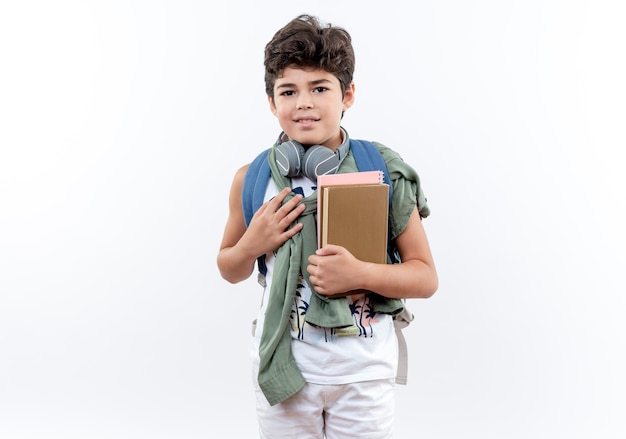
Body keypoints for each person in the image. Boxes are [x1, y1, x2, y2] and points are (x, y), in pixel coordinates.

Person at [217, 14, 438, 439]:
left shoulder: (383, 170)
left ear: (347, 95)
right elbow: (229, 267)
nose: (304, 102)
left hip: (363, 373)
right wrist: (251, 245)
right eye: (288, 91)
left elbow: (425, 276)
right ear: (271, 102)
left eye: (320, 88)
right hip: (283, 370)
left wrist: (360, 274)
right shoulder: (253, 178)